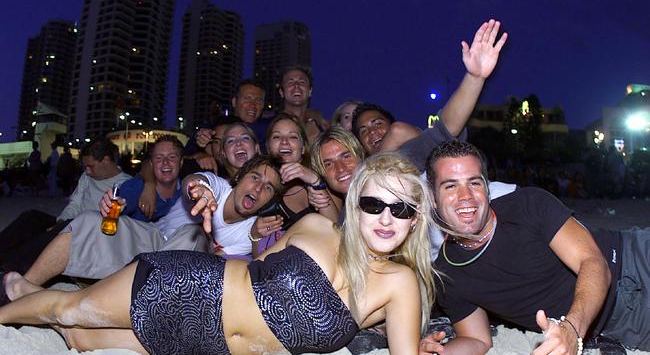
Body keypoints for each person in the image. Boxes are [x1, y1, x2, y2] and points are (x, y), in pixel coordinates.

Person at [0, 152, 436, 355]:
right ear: (356, 204)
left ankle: (23, 286)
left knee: (81, 338)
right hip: (190, 287)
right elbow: (252, 267)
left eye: (401, 209)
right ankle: (15, 296)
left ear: (415, 220)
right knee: (72, 309)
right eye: (374, 204)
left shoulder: (399, 285)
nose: (385, 218)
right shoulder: (317, 226)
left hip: (207, 346)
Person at [419, 140, 650, 354]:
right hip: (622, 319)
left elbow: (593, 262)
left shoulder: (527, 204)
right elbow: (478, 339)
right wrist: (441, 352)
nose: (465, 196)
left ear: (487, 188)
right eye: (450, 186)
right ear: (432, 197)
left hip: (634, 256)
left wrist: (571, 329)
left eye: (474, 182)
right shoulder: (446, 273)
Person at [9, 136, 186, 288]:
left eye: (172, 157)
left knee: (58, 234)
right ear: (151, 162)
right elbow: (90, 202)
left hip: (94, 231)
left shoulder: (183, 192)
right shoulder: (134, 185)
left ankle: (13, 268)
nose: (165, 163)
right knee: (32, 218)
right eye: (159, 158)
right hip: (80, 222)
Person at [351, 19, 507, 163]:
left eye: (377, 123)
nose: (372, 132)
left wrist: (474, 78)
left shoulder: (411, 158)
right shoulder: (359, 178)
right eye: (363, 130)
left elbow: (446, 128)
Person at [0, 138, 131, 276]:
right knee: (31, 217)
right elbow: (74, 203)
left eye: (90, 166)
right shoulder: (87, 177)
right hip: (70, 221)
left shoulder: (126, 184)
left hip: (90, 232)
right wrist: (60, 221)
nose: (87, 171)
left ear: (106, 160)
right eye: (85, 167)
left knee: (45, 239)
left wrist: (63, 228)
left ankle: (11, 267)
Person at [249, 114, 337, 257]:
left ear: (303, 148)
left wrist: (314, 181)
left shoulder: (323, 178)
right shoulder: (257, 184)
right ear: (268, 147)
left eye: (293, 137)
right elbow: (257, 258)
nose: (284, 142)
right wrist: (255, 234)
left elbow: (335, 230)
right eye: (277, 137)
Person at [278, 65, 328, 142]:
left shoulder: (323, 128)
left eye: (302, 82)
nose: (296, 85)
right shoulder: (269, 126)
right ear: (281, 92)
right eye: (290, 82)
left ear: (310, 91)